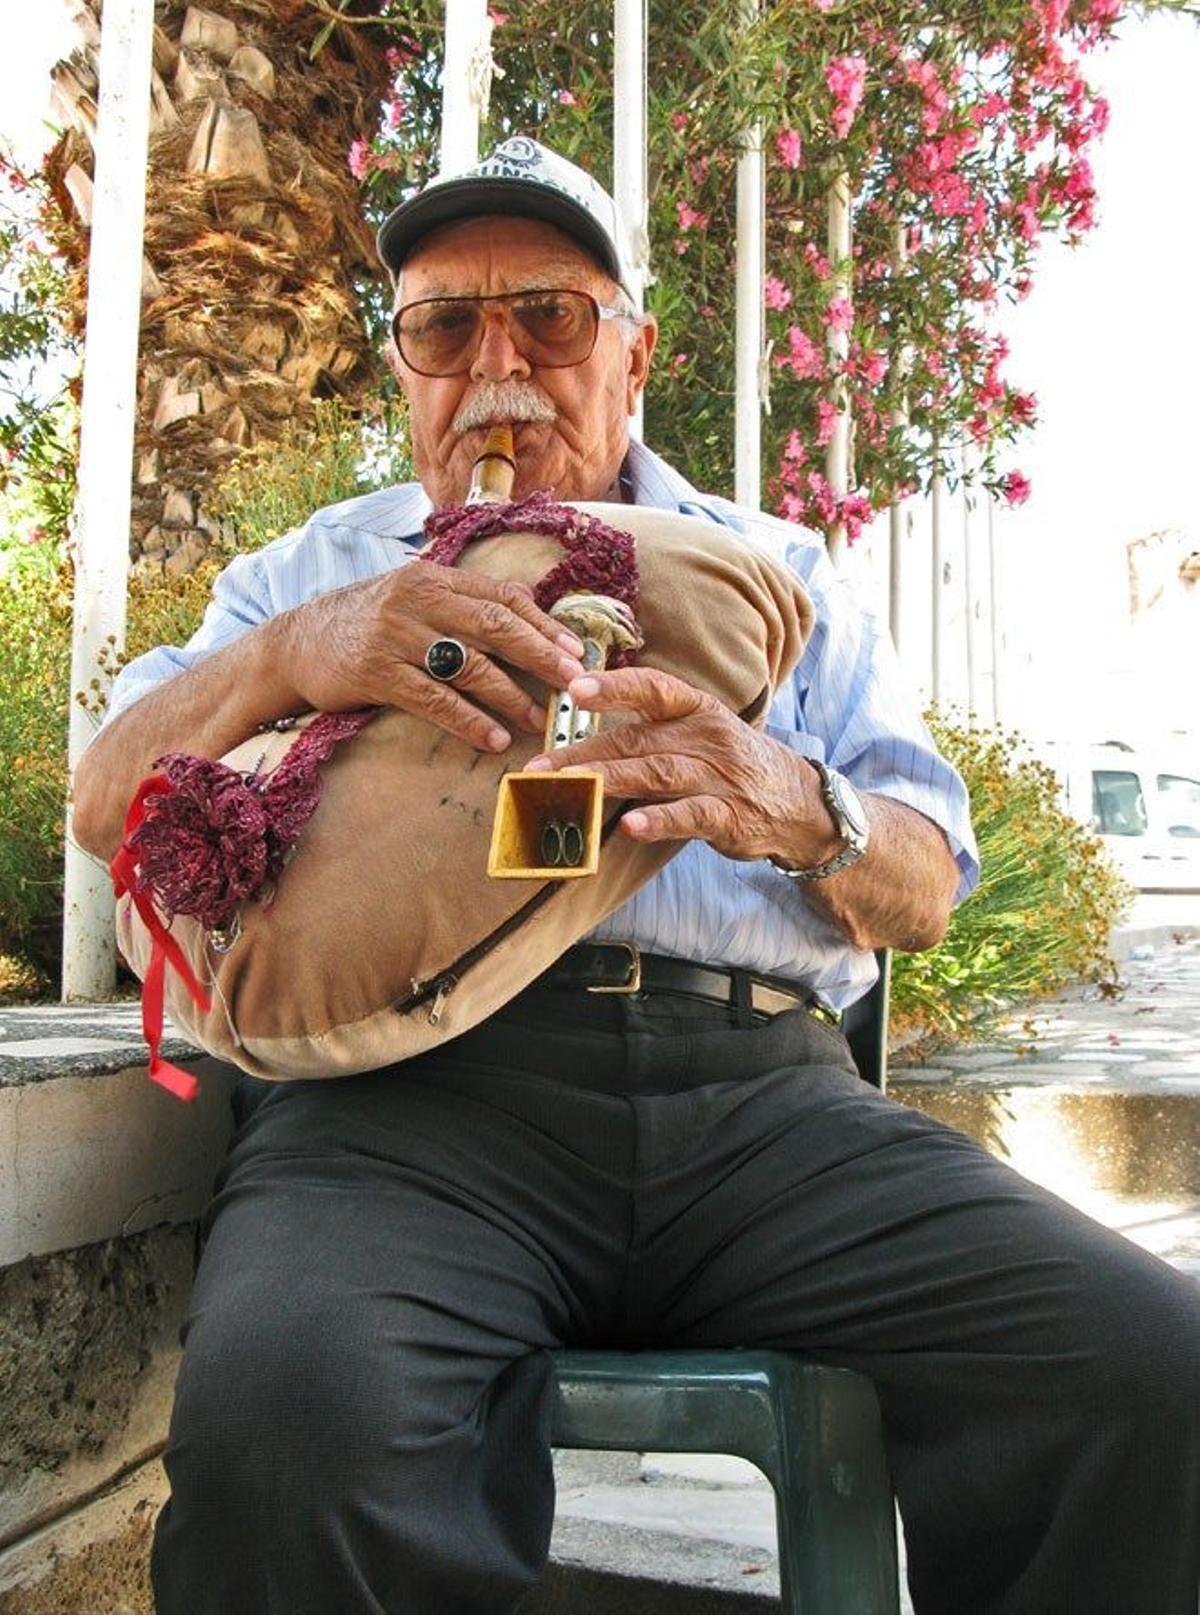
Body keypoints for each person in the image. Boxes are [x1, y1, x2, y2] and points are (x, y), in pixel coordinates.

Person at [73, 138, 1199, 1615]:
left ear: (633, 353)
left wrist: (794, 804)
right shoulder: (311, 572)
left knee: (1150, 1375)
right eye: (443, 325)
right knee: (292, 1425)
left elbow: (924, 885)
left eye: (549, 316)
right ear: (403, 364)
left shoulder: (771, 568)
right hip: (410, 1113)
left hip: (764, 1111)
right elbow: (107, 798)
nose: (497, 365)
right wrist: (292, 655)